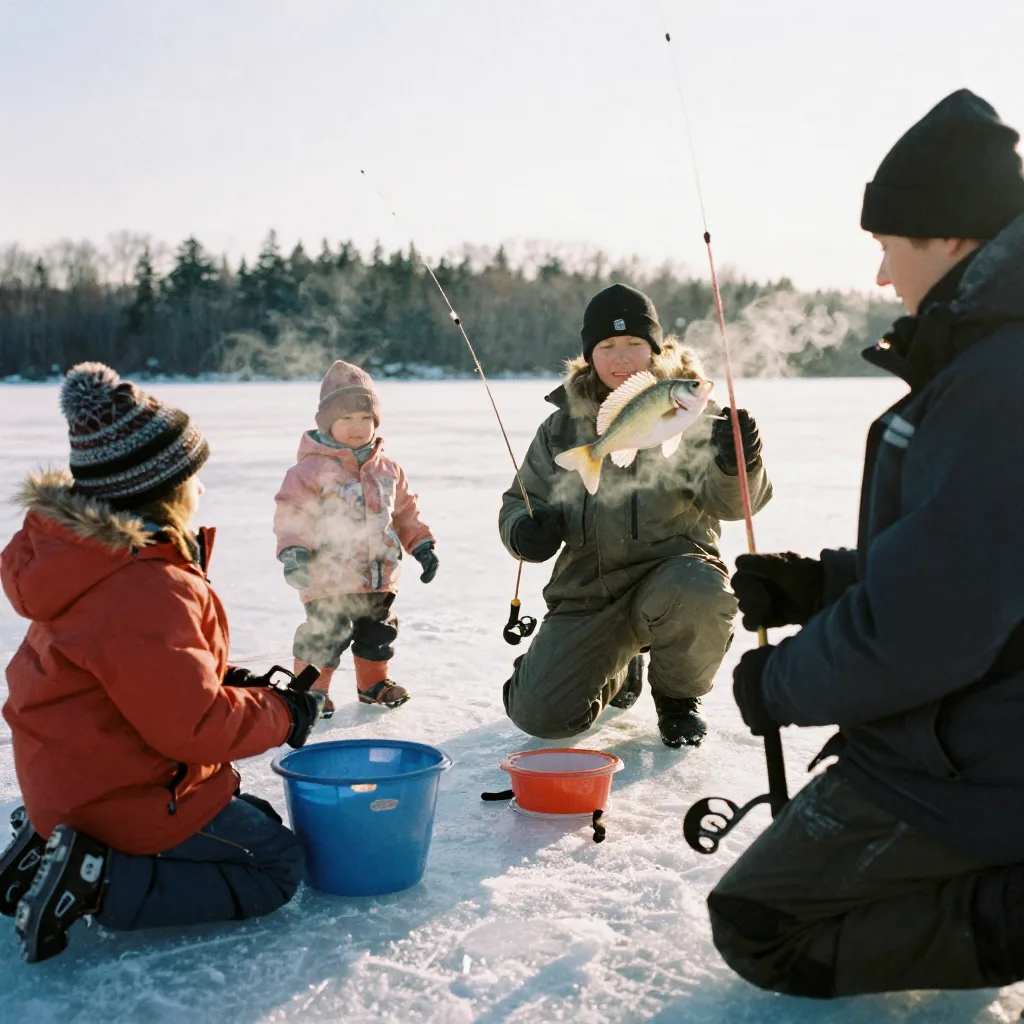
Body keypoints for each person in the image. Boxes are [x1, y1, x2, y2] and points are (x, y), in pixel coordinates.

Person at [709, 89, 1024, 997]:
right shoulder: (986, 359)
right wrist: (818, 585)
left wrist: (783, 682)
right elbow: (961, 560)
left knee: (763, 929)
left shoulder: (1001, 380)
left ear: (950, 238)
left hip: (977, 748)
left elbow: (926, 631)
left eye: (889, 246)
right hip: (972, 721)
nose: (883, 276)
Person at [0, 362, 325, 964]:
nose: (201, 490)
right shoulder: (144, 586)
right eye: (192, 478)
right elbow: (191, 727)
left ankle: (50, 843)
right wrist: (281, 714)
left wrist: (226, 681)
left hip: (71, 779)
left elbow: (134, 679)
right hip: (119, 797)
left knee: (243, 810)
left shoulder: (84, 560)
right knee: (275, 864)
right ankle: (96, 881)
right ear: (164, 490)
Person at [499, 283, 772, 748]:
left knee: (700, 593)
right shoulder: (561, 427)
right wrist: (525, 532)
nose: (621, 357)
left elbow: (737, 505)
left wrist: (738, 463)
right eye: (607, 346)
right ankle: (616, 668)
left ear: (656, 349)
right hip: (590, 590)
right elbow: (520, 500)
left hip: (675, 576)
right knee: (541, 715)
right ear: (589, 355)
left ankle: (677, 699)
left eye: (634, 344)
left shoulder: (697, 416)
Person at [274, 360, 438, 713]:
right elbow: (292, 514)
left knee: (378, 634)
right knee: (325, 634)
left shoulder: (388, 469)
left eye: (366, 419)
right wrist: (294, 554)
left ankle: (373, 684)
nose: (357, 427)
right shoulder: (309, 470)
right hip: (327, 576)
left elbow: (405, 512)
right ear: (328, 422)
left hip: (378, 575)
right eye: (347, 419)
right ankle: (312, 690)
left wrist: (422, 546)